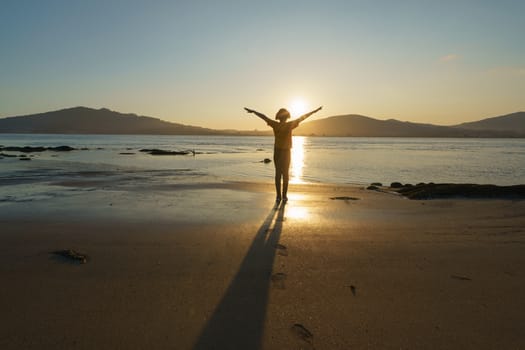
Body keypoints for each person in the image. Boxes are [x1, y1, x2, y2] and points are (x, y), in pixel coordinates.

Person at [244, 105, 322, 203]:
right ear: (286, 117)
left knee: (278, 174)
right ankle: (283, 196)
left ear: (279, 117)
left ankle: (279, 196)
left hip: (278, 151)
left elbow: (264, 117)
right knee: (285, 174)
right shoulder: (289, 125)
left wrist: (254, 111)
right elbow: (303, 117)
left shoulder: (275, 124)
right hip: (285, 152)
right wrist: (315, 111)